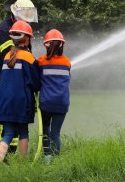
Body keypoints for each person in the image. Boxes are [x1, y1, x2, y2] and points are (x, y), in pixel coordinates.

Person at [0, 0, 38, 161]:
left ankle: (5, 157)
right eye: (25, 13)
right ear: (15, 12)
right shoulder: (4, 30)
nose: (28, 17)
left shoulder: (18, 28)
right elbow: (11, 60)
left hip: (10, 83)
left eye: (30, 14)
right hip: (0, 81)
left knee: (9, 124)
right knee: (2, 119)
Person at [38, 29, 71, 163]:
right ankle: (56, 162)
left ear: (46, 45)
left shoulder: (41, 61)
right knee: (56, 133)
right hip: (62, 103)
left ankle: (47, 159)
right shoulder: (67, 62)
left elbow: (37, 80)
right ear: (61, 45)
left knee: (46, 130)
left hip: (46, 103)